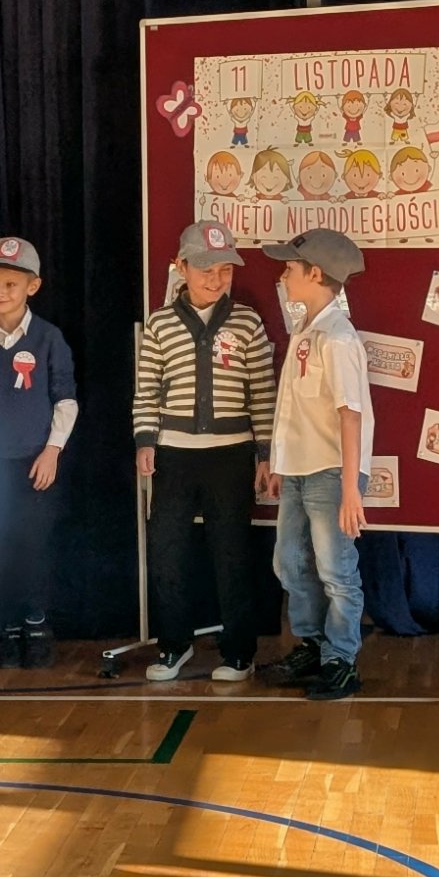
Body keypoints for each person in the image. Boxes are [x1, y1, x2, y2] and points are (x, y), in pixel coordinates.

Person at [133, 222, 276, 682]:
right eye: (205, 270)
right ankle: (174, 645)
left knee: (231, 554)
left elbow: (263, 392)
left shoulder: (247, 322)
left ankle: (239, 652)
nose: (215, 280)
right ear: (181, 268)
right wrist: (145, 440)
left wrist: (265, 452)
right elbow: (146, 389)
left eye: (224, 271)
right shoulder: (160, 323)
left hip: (230, 456)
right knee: (168, 553)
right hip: (174, 455)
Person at [257, 229, 372, 703]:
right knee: (289, 561)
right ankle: (314, 644)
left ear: (316, 274)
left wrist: (351, 487)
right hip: (300, 469)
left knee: (335, 568)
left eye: (290, 268)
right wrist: (280, 462)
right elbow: (293, 408)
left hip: (331, 470)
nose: (283, 275)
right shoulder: (307, 329)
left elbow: (351, 414)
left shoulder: (339, 339)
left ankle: (341, 658)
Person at [0, 236, 77, 668]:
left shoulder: (48, 338)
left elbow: (65, 399)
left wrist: (52, 450)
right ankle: (7, 629)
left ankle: (36, 624)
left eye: (11, 284)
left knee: (33, 548)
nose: (0, 293)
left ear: (33, 286)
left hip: (34, 463)